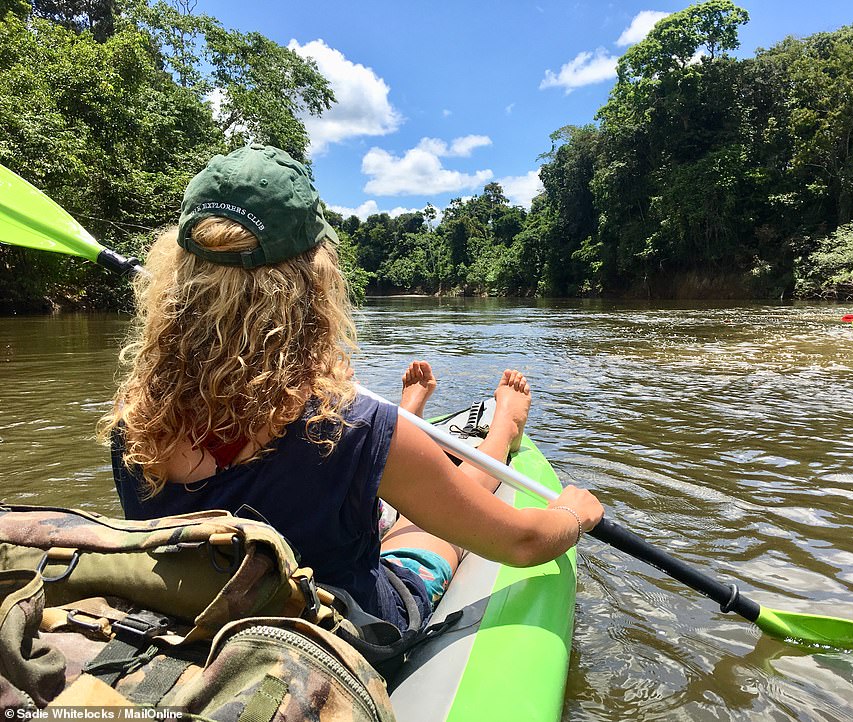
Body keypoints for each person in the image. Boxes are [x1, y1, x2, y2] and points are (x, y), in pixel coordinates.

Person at [103, 144, 604, 633]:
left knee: (376, 461)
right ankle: (502, 433)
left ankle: (409, 414)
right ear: (313, 281)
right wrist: (572, 514)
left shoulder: (135, 417)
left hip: (200, 623)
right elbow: (520, 542)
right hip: (341, 628)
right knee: (421, 528)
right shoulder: (348, 426)